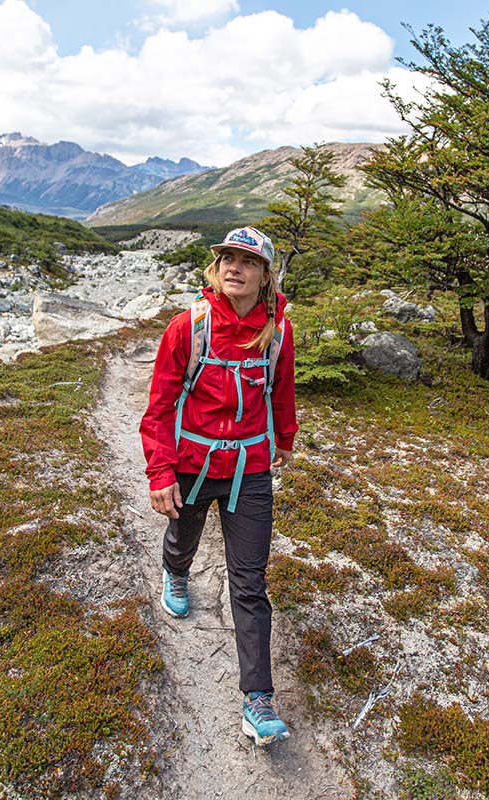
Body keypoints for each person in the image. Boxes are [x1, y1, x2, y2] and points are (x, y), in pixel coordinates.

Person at [139, 225, 297, 746]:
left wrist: (284, 439)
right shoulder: (189, 327)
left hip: (249, 470)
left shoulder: (278, 331)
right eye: (228, 257)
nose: (235, 267)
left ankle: (258, 701)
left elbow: (281, 392)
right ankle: (175, 570)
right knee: (183, 537)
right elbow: (159, 408)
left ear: (264, 274)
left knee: (249, 581)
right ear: (217, 267)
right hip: (191, 463)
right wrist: (161, 473)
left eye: (247, 261)